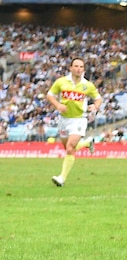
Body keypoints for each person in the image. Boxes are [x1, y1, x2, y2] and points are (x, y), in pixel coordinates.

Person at [45, 57, 102, 187]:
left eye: (81, 67)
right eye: (76, 66)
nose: (78, 69)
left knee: (70, 148)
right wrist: (58, 105)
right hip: (64, 119)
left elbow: (98, 99)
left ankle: (61, 178)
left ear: (84, 69)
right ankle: (87, 143)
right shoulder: (61, 82)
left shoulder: (87, 85)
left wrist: (95, 106)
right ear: (70, 68)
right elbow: (50, 95)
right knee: (68, 149)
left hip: (79, 119)